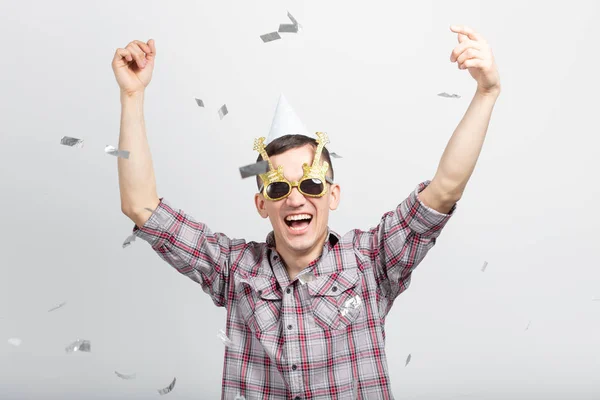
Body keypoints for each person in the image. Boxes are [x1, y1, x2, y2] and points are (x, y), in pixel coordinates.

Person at [112, 24, 500, 400]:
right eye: (279, 187)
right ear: (262, 204)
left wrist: (486, 92)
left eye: (311, 184)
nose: (296, 199)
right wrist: (132, 97)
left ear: (333, 195)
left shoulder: (371, 262)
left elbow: (445, 190)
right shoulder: (233, 270)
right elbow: (141, 206)